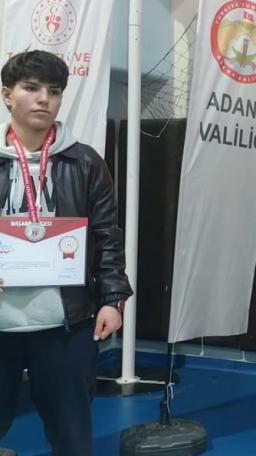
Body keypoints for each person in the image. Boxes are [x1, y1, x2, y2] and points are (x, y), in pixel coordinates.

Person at [0, 50, 131, 456]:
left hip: (65, 323)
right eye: (31, 88)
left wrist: (112, 300)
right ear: (7, 95)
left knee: (72, 437)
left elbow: (107, 237)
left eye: (54, 91)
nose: (44, 99)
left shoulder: (85, 161)